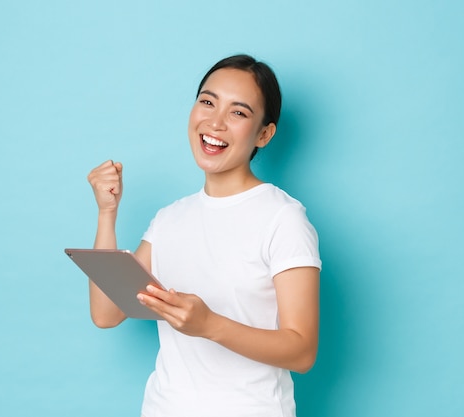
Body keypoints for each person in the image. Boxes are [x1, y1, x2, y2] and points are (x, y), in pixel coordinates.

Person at [87, 54, 321, 417]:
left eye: (238, 112)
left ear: (264, 133)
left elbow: (302, 351)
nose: (215, 122)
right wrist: (107, 213)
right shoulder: (169, 219)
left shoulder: (283, 218)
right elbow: (106, 313)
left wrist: (210, 326)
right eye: (208, 102)